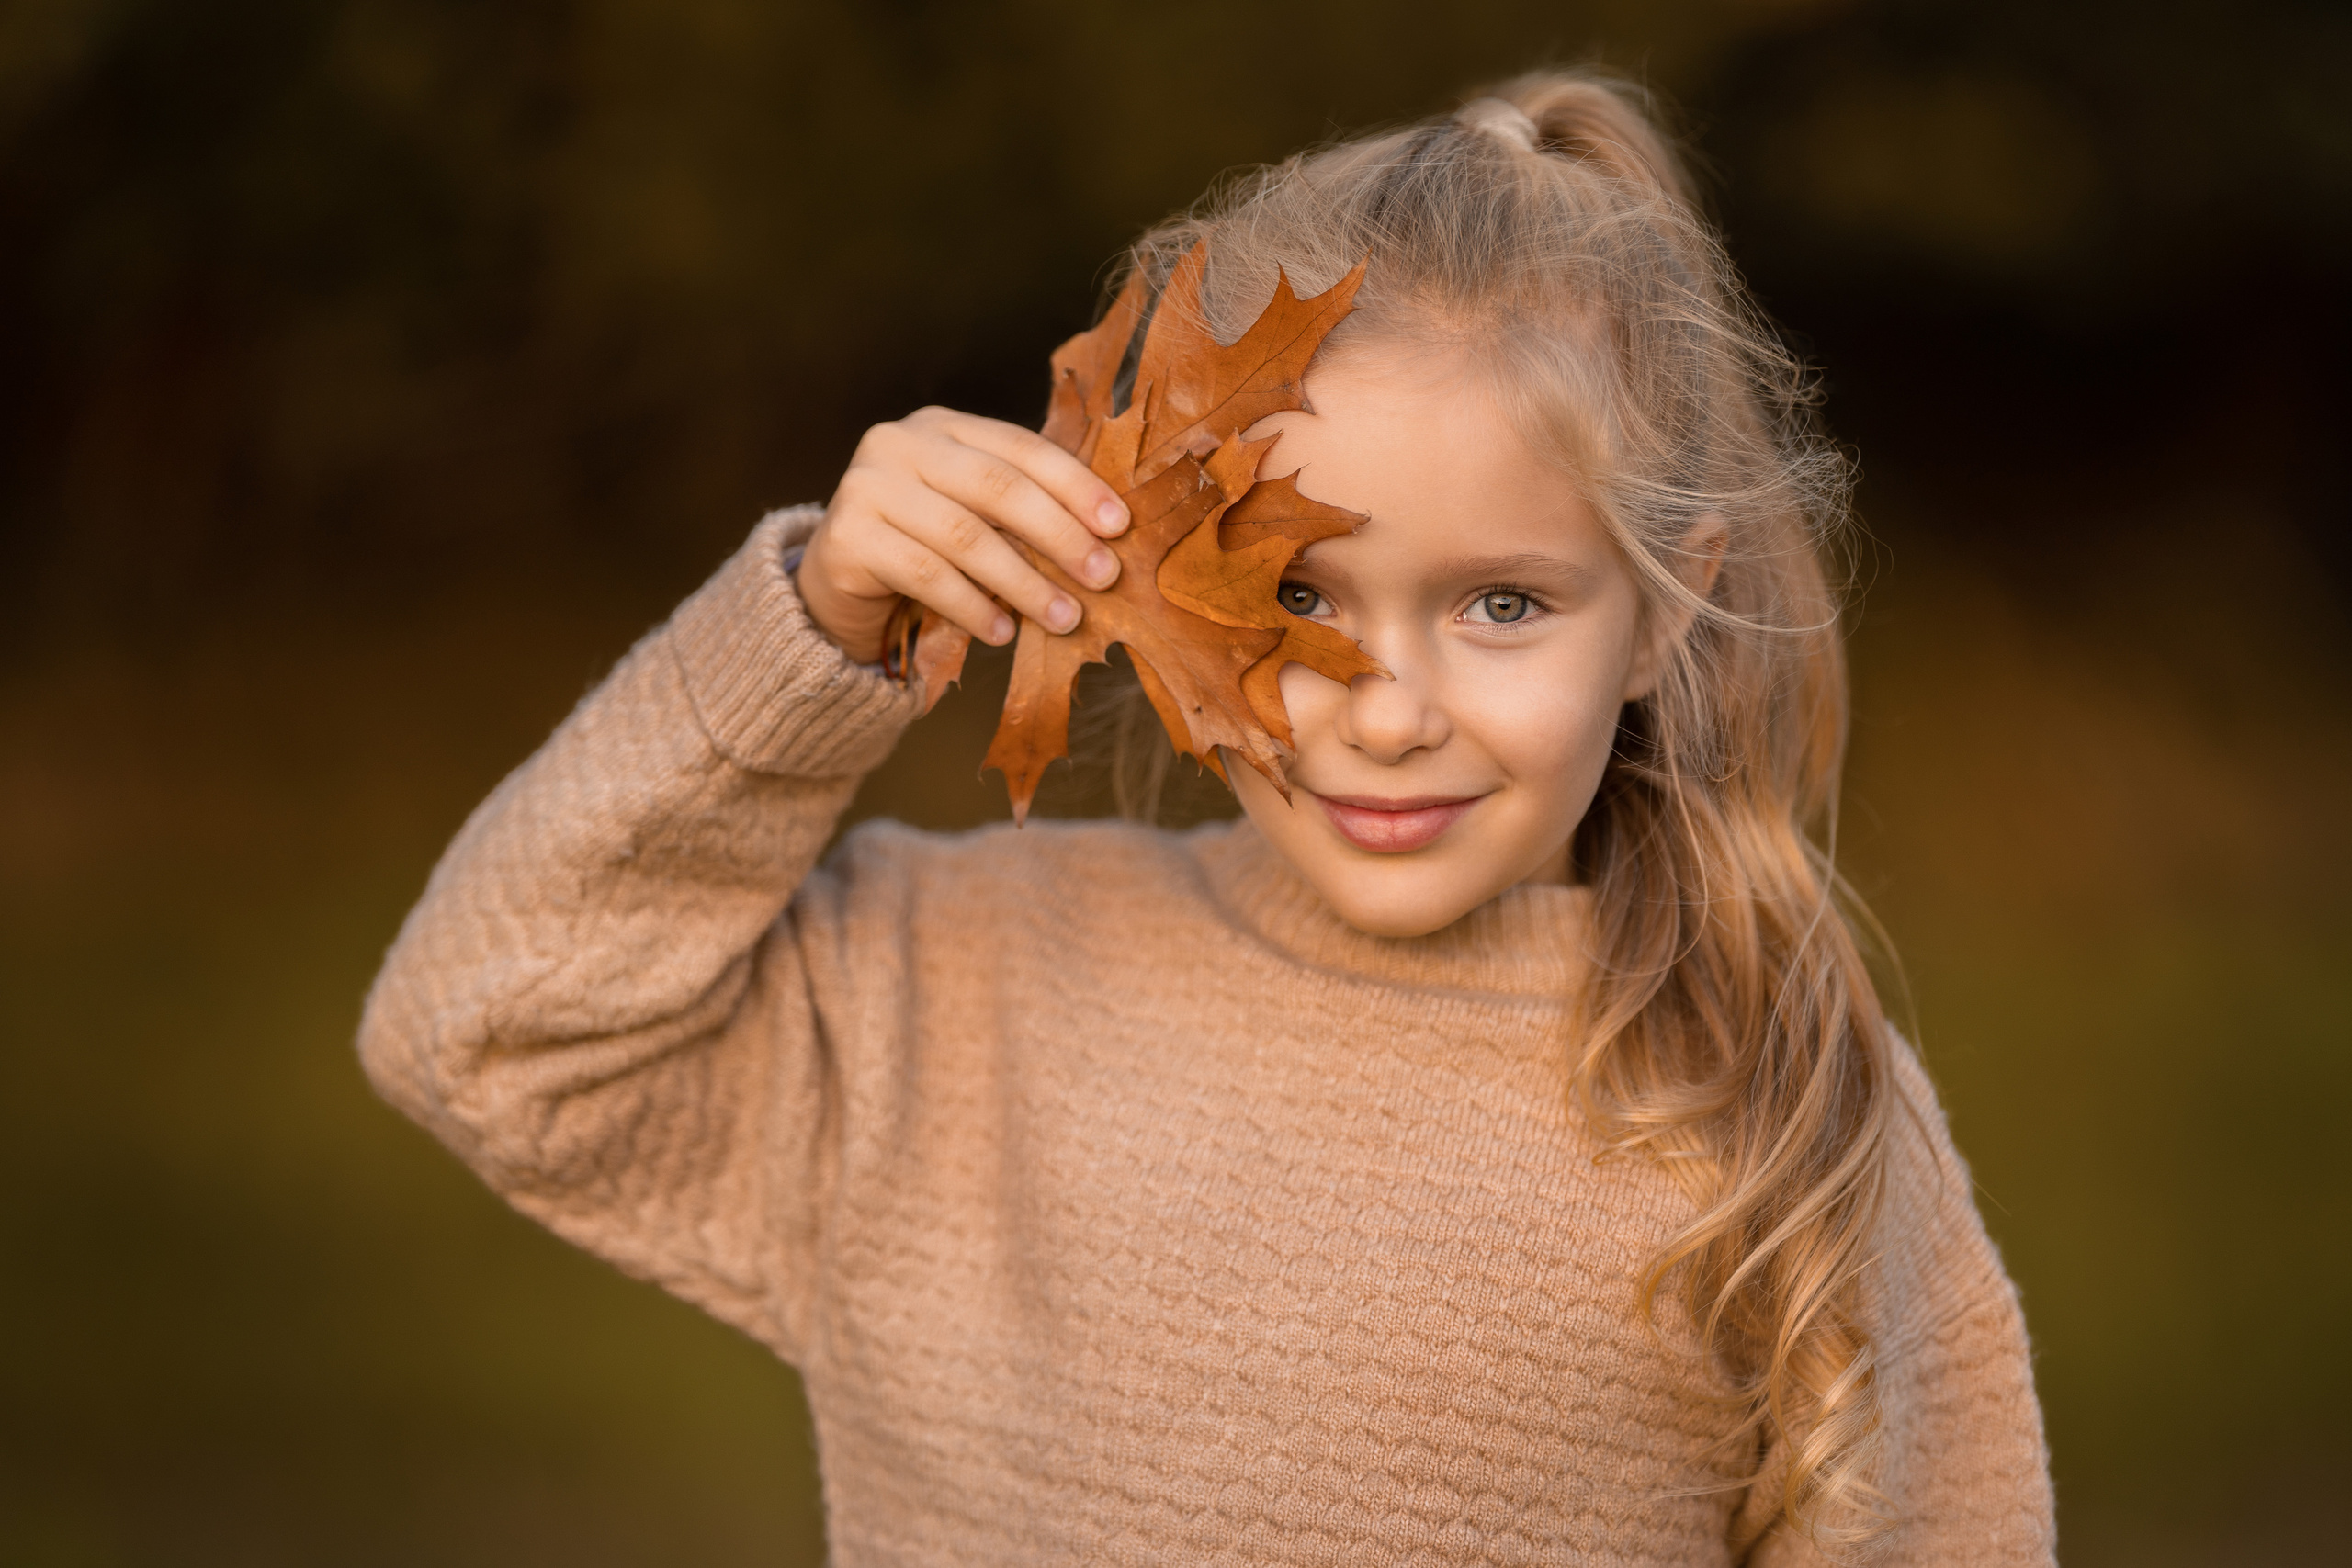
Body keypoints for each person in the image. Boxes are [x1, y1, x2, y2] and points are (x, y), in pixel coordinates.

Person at [359, 70, 2055, 1566]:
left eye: (1505, 608)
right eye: (1298, 593)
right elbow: (490, 1032)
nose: (1386, 710)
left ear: (1667, 614)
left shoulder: (1766, 1095)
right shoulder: (957, 998)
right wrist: (808, 631)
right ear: (1151, 565)